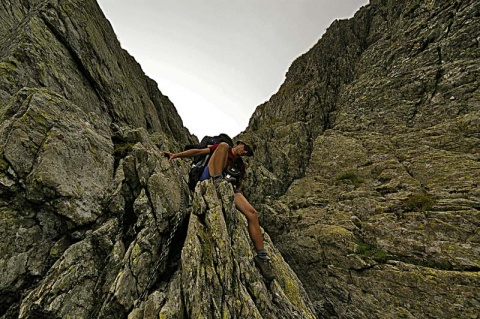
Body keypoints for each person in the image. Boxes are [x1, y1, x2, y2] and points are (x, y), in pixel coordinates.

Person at [164, 140, 275, 282]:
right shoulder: (223, 149)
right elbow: (198, 152)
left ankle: (262, 257)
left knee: (252, 214)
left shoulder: (240, 166)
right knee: (223, 145)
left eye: (248, 153)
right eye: (245, 147)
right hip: (209, 177)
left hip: (228, 187)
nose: (245, 152)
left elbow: (238, 186)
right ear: (240, 143)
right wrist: (176, 155)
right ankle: (218, 179)